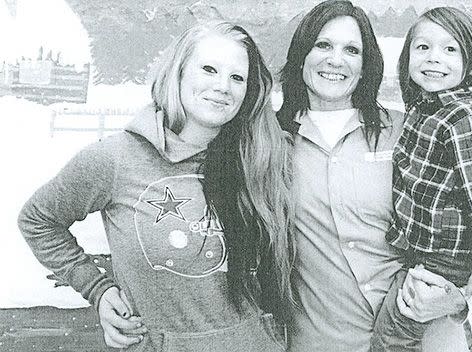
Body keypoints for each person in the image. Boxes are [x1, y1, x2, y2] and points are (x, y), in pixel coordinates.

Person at [18, 20, 293, 352]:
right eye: (209, 69)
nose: (223, 86)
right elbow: (38, 220)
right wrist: (98, 290)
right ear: (178, 73)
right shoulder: (115, 159)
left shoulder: (261, 159)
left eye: (237, 77)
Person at [277, 2, 468, 351]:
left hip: (426, 335)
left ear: (365, 67)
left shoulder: (408, 129)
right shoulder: (270, 140)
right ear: (301, 55)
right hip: (326, 340)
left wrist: (458, 300)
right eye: (323, 45)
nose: (336, 59)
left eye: (351, 50)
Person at [371, 7, 472, 351]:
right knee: (437, 332)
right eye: (423, 48)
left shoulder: (464, 117)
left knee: (393, 334)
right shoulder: (425, 109)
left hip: (446, 256)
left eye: (450, 50)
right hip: (423, 251)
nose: (434, 59)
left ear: (470, 62)